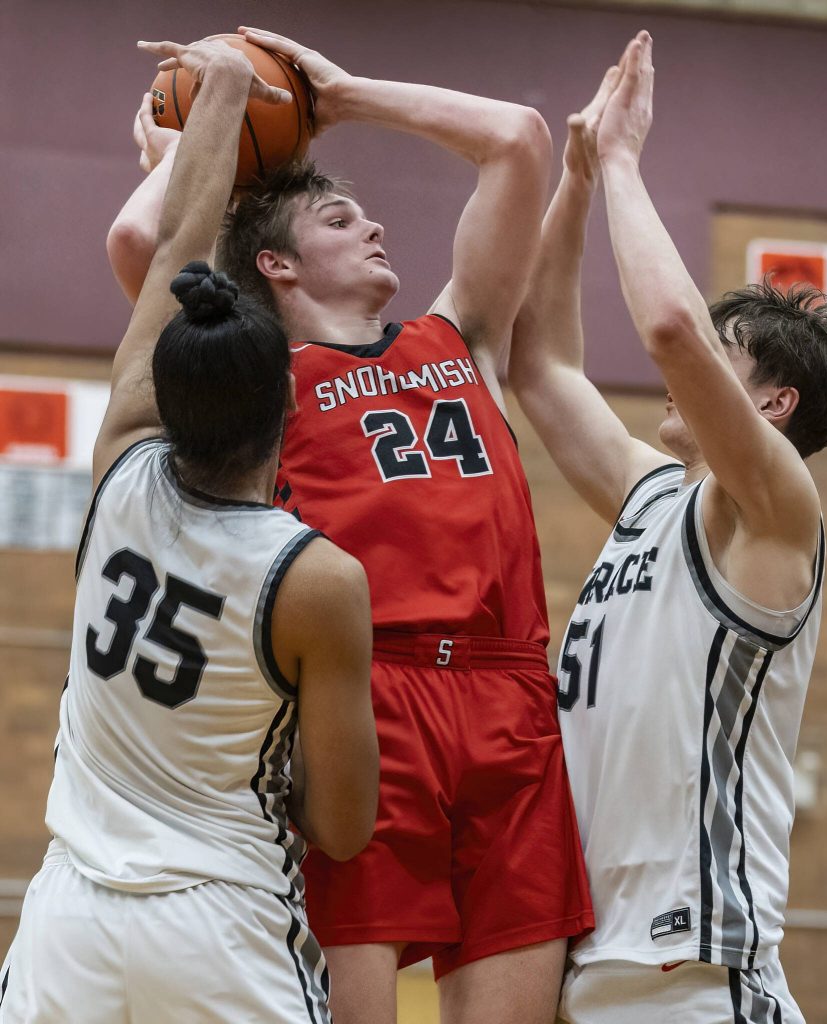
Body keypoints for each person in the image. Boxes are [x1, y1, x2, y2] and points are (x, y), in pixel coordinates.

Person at [110, 25, 593, 1024]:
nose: (374, 228)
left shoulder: (459, 335)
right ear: (276, 264)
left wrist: (342, 94)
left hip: (510, 696)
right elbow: (138, 250)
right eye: (341, 217)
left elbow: (517, 141)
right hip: (363, 699)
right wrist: (198, 137)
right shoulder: (251, 380)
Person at [0, 37, 378, 1024]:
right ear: (287, 414)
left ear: (165, 393)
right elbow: (342, 825)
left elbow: (173, 256)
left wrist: (215, 97)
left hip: (72, 917)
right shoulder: (317, 577)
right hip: (223, 925)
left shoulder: (118, 464)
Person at [509, 32, 827, 1024]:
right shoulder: (648, 497)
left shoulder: (777, 510)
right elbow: (535, 362)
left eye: (727, 356)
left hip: (704, 981)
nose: (691, 364)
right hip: (591, 975)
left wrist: (625, 160)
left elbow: (667, 328)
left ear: (772, 405)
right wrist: (578, 180)